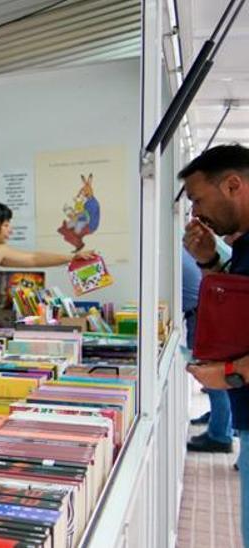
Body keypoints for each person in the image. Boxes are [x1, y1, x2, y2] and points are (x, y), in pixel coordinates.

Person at [179, 144, 249, 545]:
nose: (195, 214)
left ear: (233, 185)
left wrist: (230, 373)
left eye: (198, 199)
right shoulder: (241, 244)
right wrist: (208, 261)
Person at [183, 249, 234, 452]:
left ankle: (220, 435)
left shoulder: (169, 252)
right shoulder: (182, 249)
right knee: (213, 373)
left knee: (210, 374)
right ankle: (219, 422)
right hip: (203, 311)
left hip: (201, 314)